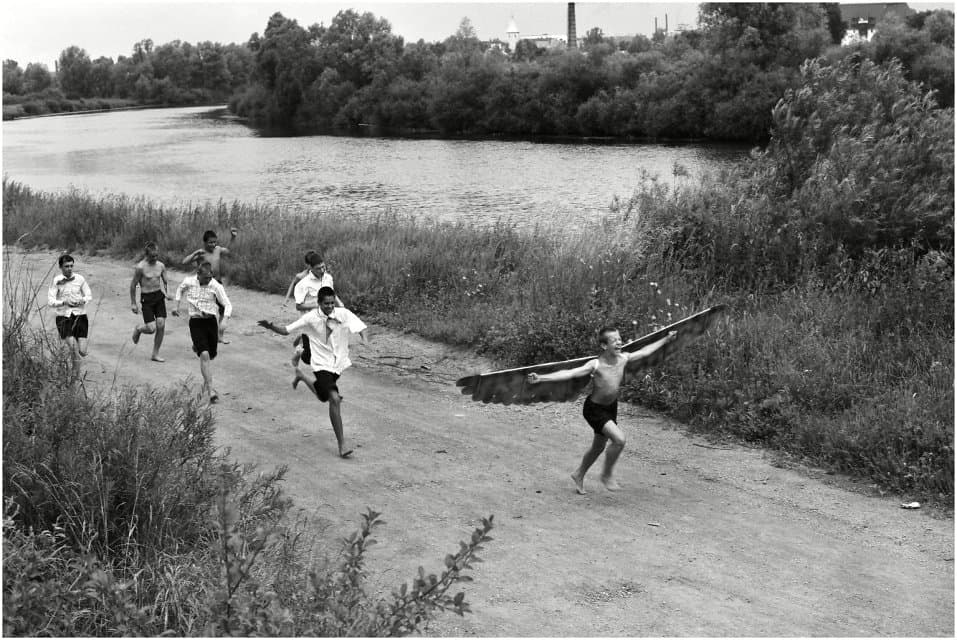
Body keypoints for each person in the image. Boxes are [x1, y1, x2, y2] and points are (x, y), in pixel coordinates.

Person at [527, 327, 677, 494]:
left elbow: (644, 352)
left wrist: (665, 340)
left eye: (620, 339)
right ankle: (606, 475)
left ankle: (579, 474)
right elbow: (569, 373)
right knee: (619, 440)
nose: (619, 342)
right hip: (594, 409)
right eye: (614, 340)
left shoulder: (623, 358)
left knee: (598, 447)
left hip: (611, 407)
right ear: (604, 346)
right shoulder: (596, 364)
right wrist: (541, 378)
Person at [258, 286, 368, 458]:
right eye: (326, 304)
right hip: (320, 364)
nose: (330, 306)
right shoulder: (311, 317)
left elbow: (360, 327)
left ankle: (301, 376)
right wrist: (270, 326)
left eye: (332, 303)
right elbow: (286, 330)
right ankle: (342, 445)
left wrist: (365, 340)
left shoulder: (343, 313)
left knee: (323, 396)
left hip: (337, 364)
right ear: (319, 303)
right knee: (334, 398)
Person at [171, 261, 232, 404]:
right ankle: (211, 390)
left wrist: (225, 321)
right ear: (198, 274)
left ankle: (197, 346)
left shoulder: (215, 285)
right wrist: (176, 305)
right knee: (204, 355)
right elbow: (180, 289)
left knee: (211, 355)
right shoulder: (189, 281)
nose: (208, 280)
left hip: (211, 322)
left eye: (210, 277)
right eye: (205, 278)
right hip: (196, 321)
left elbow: (227, 304)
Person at [288, 252, 343, 368]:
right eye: (318, 268)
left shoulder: (328, 278)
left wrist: (340, 304)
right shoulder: (303, 283)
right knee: (308, 359)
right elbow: (299, 306)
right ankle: (299, 351)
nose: (322, 270)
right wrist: (316, 306)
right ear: (311, 268)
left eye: (324, 267)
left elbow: (331, 292)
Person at [182, 228, 237, 343]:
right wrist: (194, 254)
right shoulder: (201, 253)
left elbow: (229, 251)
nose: (213, 244)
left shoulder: (217, 249)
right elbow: (184, 262)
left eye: (214, 242)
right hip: (204, 286)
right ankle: (201, 336)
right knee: (204, 312)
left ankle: (219, 336)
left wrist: (233, 238)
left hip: (217, 282)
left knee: (223, 309)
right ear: (205, 242)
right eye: (210, 242)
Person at [130, 241, 173, 362]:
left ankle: (155, 354)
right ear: (146, 254)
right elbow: (133, 285)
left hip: (158, 297)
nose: (155, 258)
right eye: (152, 256)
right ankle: (139, 329)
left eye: (156, 256)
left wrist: (168, 292)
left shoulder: (161, 266)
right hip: (147, 298)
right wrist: (133, 303)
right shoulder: (140, 267)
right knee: (151, 328)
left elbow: (166, 282)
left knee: (161, 325)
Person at [47, 253, 93, 359]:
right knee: (74, 349)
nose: (69, 269)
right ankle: (74, 375)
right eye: (66, 266)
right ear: (60, 267)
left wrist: (82, 300)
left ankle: (73, 365)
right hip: (63, 316)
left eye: (71, 266)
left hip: (80, 315)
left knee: (82, 351)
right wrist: (63, 302)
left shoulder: (80, 278)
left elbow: (89, 295)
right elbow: (50, 301)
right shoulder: (56, 280)